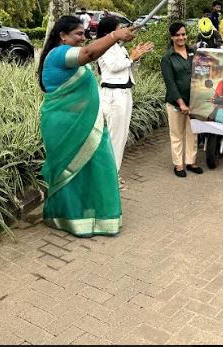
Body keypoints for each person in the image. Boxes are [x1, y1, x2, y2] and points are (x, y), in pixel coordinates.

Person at [37, 15, 136, 237]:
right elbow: (89, 53)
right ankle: (72, 218)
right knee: (80, 170)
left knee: (91, 169)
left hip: (81, 123)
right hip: (66, 125)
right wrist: (114, 35)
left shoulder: (64, 55)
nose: (83, 38)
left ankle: (88, 216)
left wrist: (118, 39)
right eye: (78, 34)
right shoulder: (59, 53)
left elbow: (92, 51)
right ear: (62, 36)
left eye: (84, 33)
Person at [96, 16, 154, 190]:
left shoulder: (118, 48)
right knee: (115, 137)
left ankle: (111, 174)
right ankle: (110, 178)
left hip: (124, 93)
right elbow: (113, 67)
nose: (124, 31)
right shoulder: (103, 46)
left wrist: (135, 58)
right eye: (120, 28)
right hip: (113, 95)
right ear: (110, 32)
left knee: (119, 136)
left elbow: (127, 70)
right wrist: (131, 58)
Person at [161, 22, 204, 177]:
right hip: (175, 103)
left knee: (193, 132)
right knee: (177, 134)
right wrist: (181, 103)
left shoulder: (194, 52)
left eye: (183, 34)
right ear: (172, 37)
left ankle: (191, 162)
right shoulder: (167, 58)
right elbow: (170, 84)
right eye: (178, 35)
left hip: (194, 101)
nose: (181, 37)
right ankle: (178, 165)